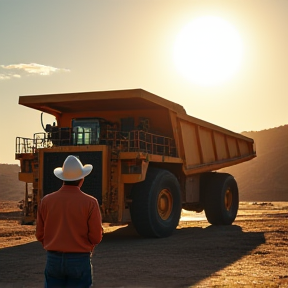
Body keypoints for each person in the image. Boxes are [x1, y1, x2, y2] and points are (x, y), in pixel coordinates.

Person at [36, 155, 103, 288]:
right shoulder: (90, 203)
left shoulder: (46, 201)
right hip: (79, 259)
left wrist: (52, 244)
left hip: (53, 259)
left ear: (62, 179)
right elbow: (96, 237)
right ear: (82, 179)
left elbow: (39, 234)